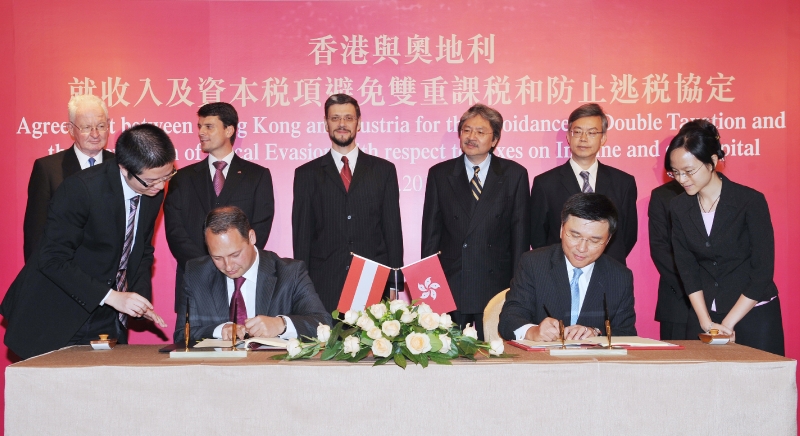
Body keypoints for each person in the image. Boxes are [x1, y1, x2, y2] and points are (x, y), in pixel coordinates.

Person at [2, 124, 175, 359]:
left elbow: (142, 249)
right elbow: (51, 258)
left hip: (108, 314)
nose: (159, 186)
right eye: (151, 181)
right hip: (60, 308)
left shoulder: (152, 190)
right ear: (124, 168)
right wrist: (113, 296)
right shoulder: (81, 189)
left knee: (105, 391)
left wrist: (138, 298)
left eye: (167, 176)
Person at [667, 120, 784, 355]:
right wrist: (705, 322)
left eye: (689, 171)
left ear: (712, 162)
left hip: (752, 312)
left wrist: (728, 325)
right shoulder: (678, 207)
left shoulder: (750, 201)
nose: (682, 179)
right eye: (675, 172)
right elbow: (687, 269)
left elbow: (762, 271)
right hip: (706, 316)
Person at [421, 103, 529, 338]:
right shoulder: (440, 174)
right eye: (467, 130)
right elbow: (430, 237)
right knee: (448, 358)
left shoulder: (514, 175)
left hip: (496, 285)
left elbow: (519, 235)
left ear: (495, 139)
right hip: (451, 283)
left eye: (480, 132)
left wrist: (517, 288)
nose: (472, 137)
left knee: (493, 358)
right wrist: (429, 286)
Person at [292, 94, 403, 312]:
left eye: (348, 118)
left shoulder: (383, 171)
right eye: (335, 118)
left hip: (372, 280)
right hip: (324, 283)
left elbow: (392, 230)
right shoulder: (306, 174)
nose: (342, 124)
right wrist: (301, 286)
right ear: (326, 124)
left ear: (358, 123)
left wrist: (394, 282)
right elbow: (302, 236)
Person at [164, 102, 274, 311]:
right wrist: (206, 265)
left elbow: (260, 226)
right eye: (200, 127)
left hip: (241, 280)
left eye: (209, 127)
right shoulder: (182, 178)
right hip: (195, 280)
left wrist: (231, 263)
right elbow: (175, 230)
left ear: (229, 130)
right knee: (192, 342)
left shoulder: (257, 176)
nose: (201, 133)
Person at [174, 206, 330, 344]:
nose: (228, 266)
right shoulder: (196, 274)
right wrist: (220, 331)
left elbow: (323, 324)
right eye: (217, 258)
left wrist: (281, 325)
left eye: (235, 254)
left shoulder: (290, 273)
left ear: (251, 237)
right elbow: (182, 334)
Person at [499, 193, 636, 342]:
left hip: (594, 363)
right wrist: (533, 331)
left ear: (608, 239)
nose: (582, 248)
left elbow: (627, 333)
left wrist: (597, 334)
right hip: (544, 361)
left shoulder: (620, 276)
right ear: (561, 229)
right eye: (575, 236)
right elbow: (509, 318)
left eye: (594, 240)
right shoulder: (533, 263)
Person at [530, 103, 637, 265]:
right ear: (568, 137)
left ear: (603, 139)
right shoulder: (545, 183)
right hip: (559, 271)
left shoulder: (623, 183)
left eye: (592, 133)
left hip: (609, 270)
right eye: (577, 132)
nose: (583, 138)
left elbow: (628, 235)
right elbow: (538, 236)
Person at [23, 94, 115, 261]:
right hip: (64, 271)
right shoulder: (48, 169)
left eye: (101, 126)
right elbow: (35, 234)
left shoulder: (120, 167)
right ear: (71, 129)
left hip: (109, 277)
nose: (95, 134)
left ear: (108, 126)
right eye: (86, 127)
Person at [649, 178, 689, 340]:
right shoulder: (663, 195)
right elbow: (660, 247)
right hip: (679, 299)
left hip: (722, 301)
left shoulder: (727, 194)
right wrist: (690, 287)